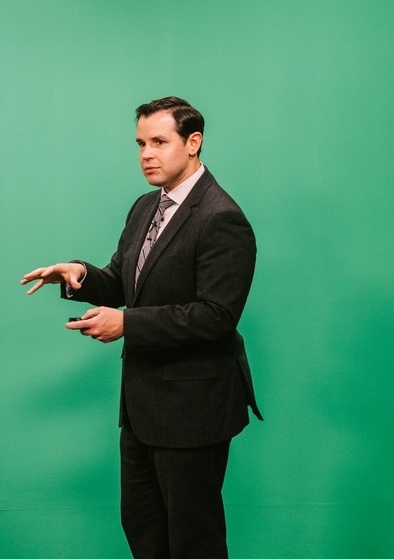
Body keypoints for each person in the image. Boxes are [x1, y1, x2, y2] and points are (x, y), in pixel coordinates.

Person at [20, 96, 262, 558]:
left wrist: (128, 325)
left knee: (194, 543)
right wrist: (79, 274)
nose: (146, 154)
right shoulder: (145, 207)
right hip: (141, 411)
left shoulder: (222, 218)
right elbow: (123, 282)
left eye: (159, 141)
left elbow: (215, 315)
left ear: (193, 143)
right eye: (140, 143)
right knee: (144, 533)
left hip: (193, 411)